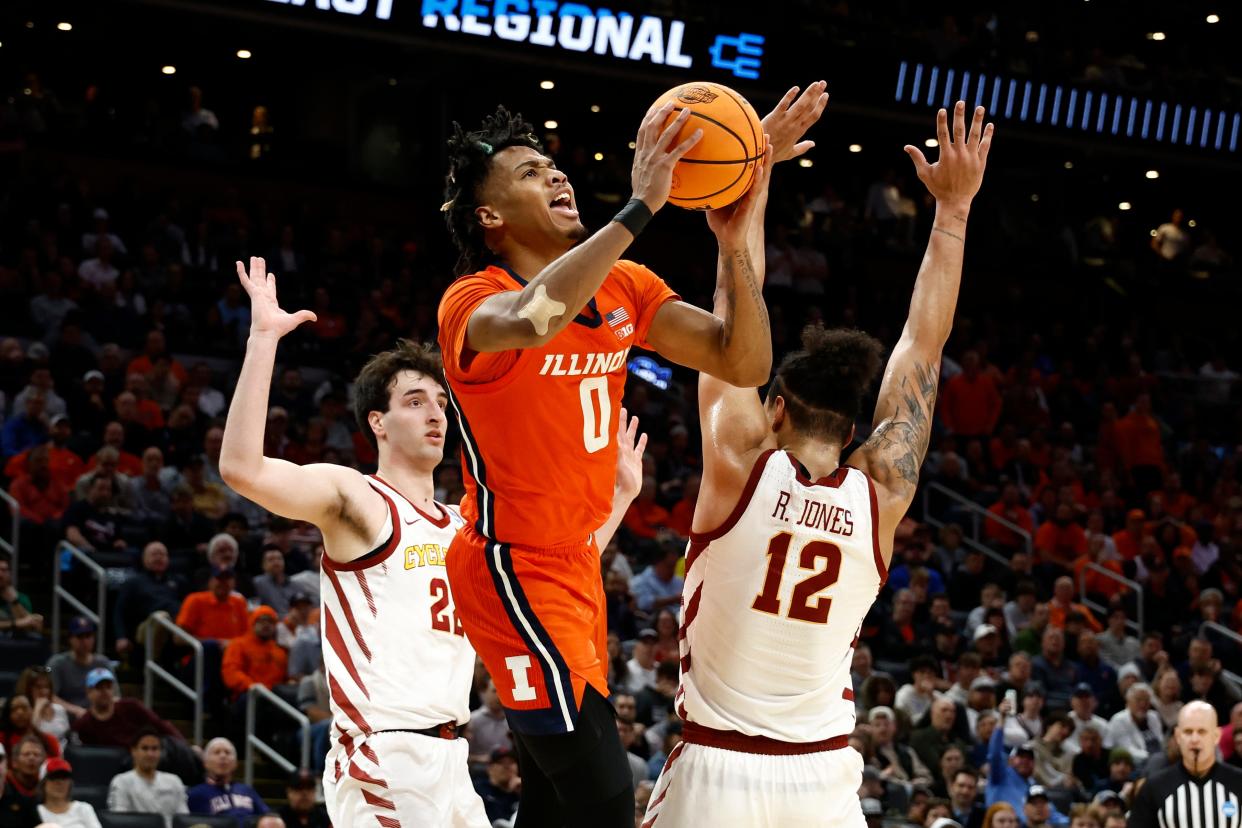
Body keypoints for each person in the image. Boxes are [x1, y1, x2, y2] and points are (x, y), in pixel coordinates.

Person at [435, 82, 828, 825]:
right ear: (490, 217)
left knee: (554, 804)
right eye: (529, 172)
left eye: (553, 165)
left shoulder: (624, 286)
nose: (555, 175)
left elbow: (742, 361)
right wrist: (640, 205)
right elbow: (534, 318)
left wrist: (737, 227)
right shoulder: (472, 302)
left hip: (578, 565)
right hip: (510, 566)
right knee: (607, 800)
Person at [643, 102, 995, 827]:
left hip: (718, 768)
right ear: (856, 425)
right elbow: (922, 346)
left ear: (776, 408)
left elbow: (730, 324)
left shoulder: (740, 460)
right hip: (824, 779)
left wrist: (749, 188)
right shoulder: (882, 490)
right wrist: (953, 213)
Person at [220, 260, 644, 827]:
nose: (435, 414)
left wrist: (621, 496)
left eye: (441, 403)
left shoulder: (467, 526)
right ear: (378, 421)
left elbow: (560, 563)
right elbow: (243, 468)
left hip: (451, 759)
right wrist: (263, 339)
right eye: (415, 401)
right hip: (385, 752)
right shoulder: (358, 499)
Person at [1128, 701, 1242, 828]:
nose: (1194, 739)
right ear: (1178, 736)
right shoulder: (1155, 787)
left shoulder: (1238, 782)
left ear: (1216, 736)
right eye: (1188, 732)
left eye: (1202, 732)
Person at [71, 668, 183, 749]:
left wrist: (183, 745)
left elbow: (160, 725)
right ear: (88, 692)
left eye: (108, 687)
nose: (105, 692)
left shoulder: (131, 707)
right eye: (99, 688)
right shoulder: (83, 724)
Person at [107, 728, 189, 827]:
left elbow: (183, 818)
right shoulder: (121, 781)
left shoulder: (174, 781)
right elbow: (119, 820)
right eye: (145, 748)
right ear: (133, 751)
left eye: (155, 749)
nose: (150, 754)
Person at [186, 738, 267, 821]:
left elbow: (267, 817)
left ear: (235, 763)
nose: (223, 756)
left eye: (227, 753)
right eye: (216, 752)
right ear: (205, 763)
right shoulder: (195, 794)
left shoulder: (247, 790)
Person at [45, 617, 109, 716]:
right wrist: (77, 711)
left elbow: (114, 696)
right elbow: (49, 696)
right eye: (80, 636)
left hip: (98, 718)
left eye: (88, 636)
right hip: (66, 719)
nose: (85, 641)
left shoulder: (103, 663)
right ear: (70, 639)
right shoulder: (56, 663)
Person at [36, 757, 101, 828]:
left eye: (64, 777)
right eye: (54, 777)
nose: (59, 782)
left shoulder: (83, 808)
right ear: (43, 782)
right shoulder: (35, 812)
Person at [0, 741, 40, 828]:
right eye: (26, 754)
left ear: (6, 763)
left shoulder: (24, 801)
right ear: (14, 762)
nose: (31, 758)